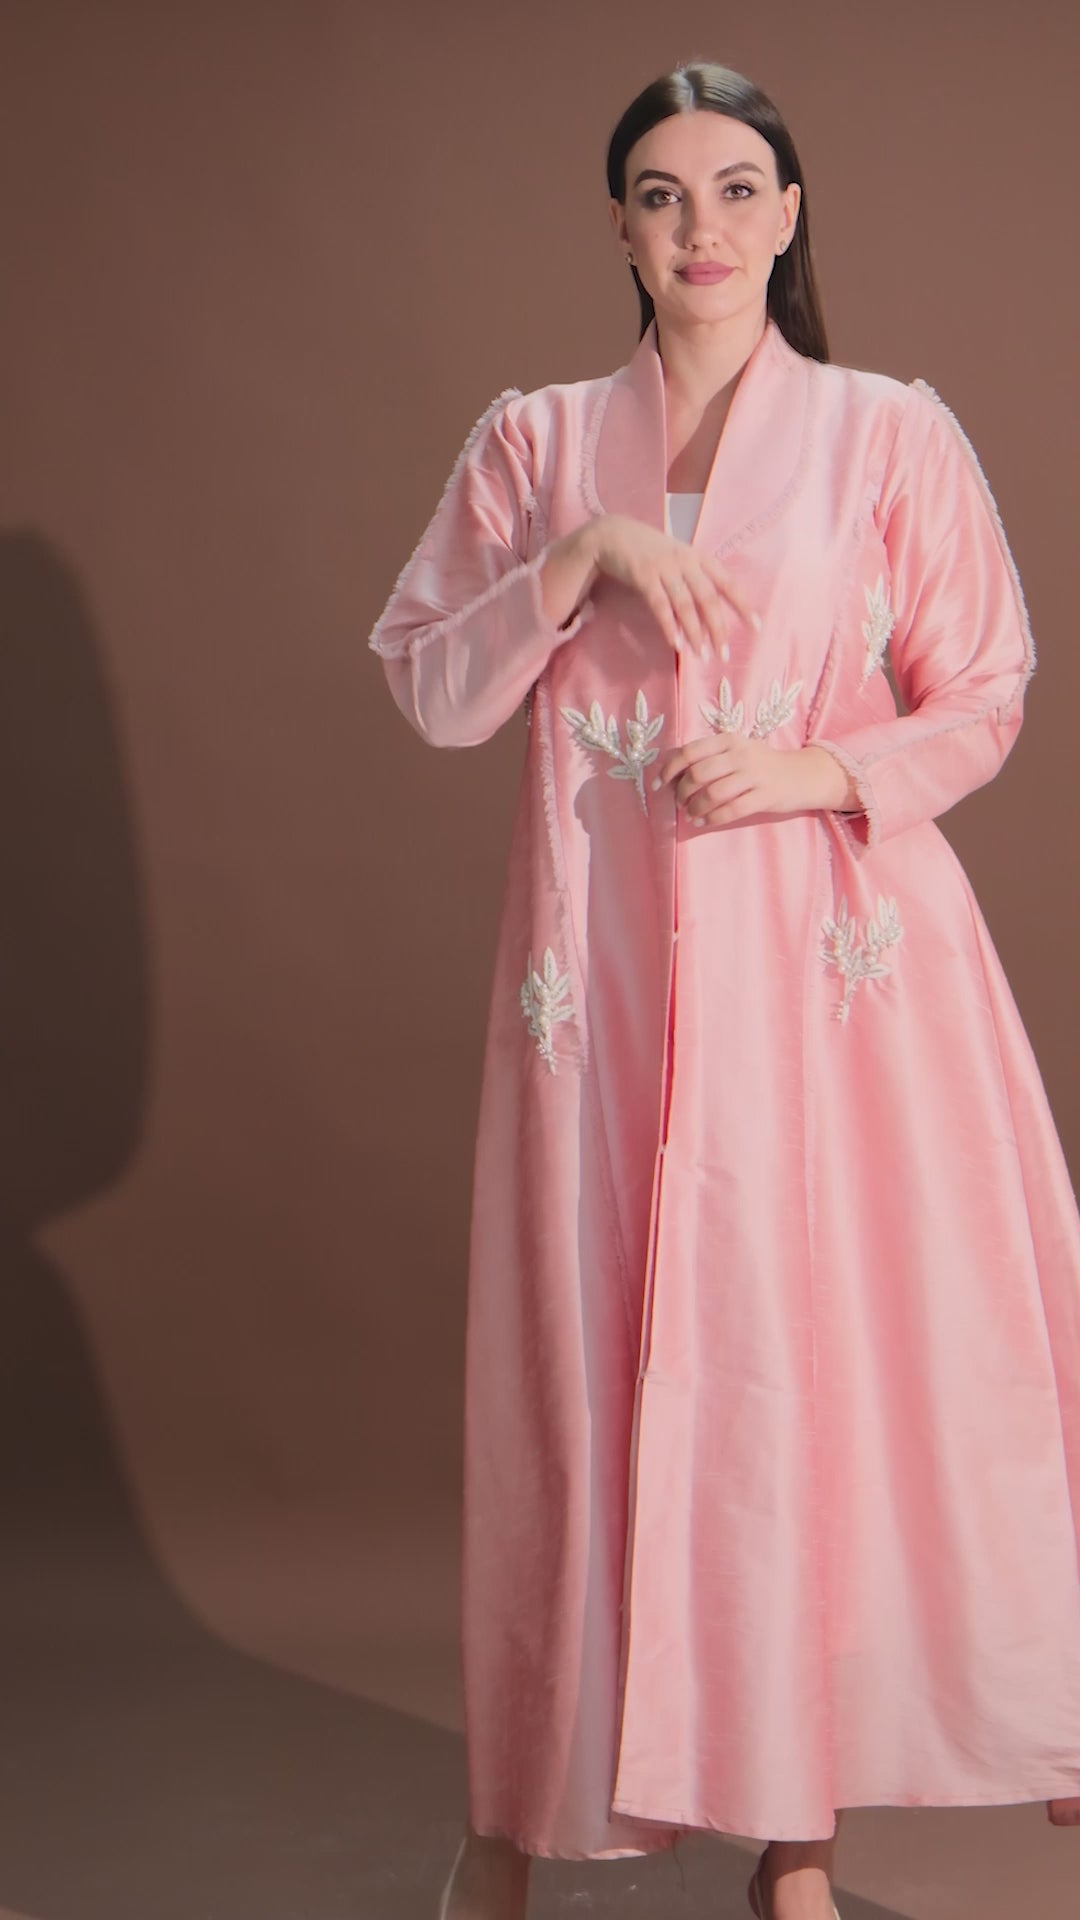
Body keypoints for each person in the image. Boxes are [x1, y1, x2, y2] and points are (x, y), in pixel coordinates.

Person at [367, 59, 1080, 1920]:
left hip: (831, 988)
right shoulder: (535, 443)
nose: (704, 226)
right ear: (619, 227)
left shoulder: (888, 435)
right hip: (596, 990)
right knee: (581, 1371)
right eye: (665, 193)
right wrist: (575, 562)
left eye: (739, 187)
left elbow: (987, 686)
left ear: (790, 215)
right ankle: (514, 1822)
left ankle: (799, 1838)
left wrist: (816, 767)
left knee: (804, 1377)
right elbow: (430, 684)